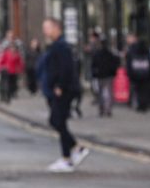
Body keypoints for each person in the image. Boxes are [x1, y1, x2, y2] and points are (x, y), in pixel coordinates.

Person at [39, 18, 90, 173]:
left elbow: (66, 68)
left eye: (47, 28)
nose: (45, 31)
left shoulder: (61, 46)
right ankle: (73, 151)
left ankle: (69, 157)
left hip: (63, 90)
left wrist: (60, 86)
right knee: (58, 122)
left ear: (56, 28)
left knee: (57, 121)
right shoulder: (55, 46)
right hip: (57, 89)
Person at [90, 36, 120, 117]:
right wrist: (113, 73)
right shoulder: (110, 54)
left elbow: (93, 65)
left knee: (100, 93)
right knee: (109, 93)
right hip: (108, 75)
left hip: (100, 75)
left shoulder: (97, 54)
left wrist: (94, 74)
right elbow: (115, 64)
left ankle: (102, 109)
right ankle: (108, 109)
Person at [125, 34, 150, 112]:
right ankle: (144, 104)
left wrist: (129, 73)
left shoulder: (132, 50)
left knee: (138, 89)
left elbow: (129, 61)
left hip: (136, 73)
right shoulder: (146, 50)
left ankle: (139, 104)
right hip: (145, 72)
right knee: (144, 89)